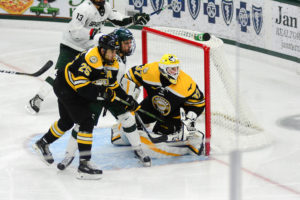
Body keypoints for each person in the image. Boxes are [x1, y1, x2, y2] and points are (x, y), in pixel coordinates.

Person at [33, 34, 148, 180]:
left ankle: (42, 143)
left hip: (70, 88)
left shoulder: (112, 62)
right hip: (66, 88)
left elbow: (113, 85)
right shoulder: (91, 59)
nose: (114, 55)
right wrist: (103, 93)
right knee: (86, 122)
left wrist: (128, 99)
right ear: (102, 50)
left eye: (115, 51)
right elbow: (81, 88)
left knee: (66, 121)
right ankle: (84, 164)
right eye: (111, 51)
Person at [26, 0, 150, 114]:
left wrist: (134, 19)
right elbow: (75, 32)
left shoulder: (106, 7)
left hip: (89, 47)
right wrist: (95, 33)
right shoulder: (83, 9)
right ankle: (38, 98)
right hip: (71, 45)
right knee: (61, 73)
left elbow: (119, 20)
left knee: (86, 74)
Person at [111, 54, 206, 156]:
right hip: (151, 105)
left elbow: (199, 103)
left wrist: (189, 119)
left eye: (177, 68)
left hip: (173, 114)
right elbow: (130, 76)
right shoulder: (150, 71)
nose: (176, 72)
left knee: (161, 138)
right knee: (132, 122)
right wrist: (128, 96)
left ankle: (187, 142)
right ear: (163, 69)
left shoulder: (185, 84)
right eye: (172, 69)